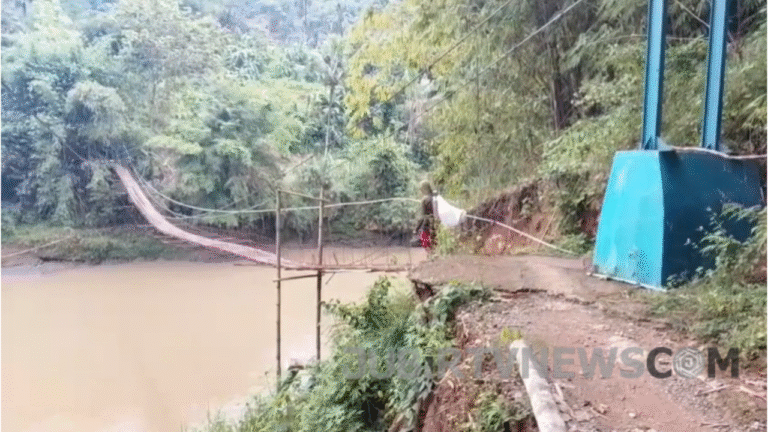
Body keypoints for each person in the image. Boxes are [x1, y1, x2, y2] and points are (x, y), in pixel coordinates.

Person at [415, 180, 437, 251]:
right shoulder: (435, 197)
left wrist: (416, 228)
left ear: (424, 188)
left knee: (426, 244)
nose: (420, 190)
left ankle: (431, 256)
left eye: (421, 188)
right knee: (435, 245)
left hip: (427, 226)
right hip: (437, 225)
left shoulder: (424, 199)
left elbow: (422, 217)